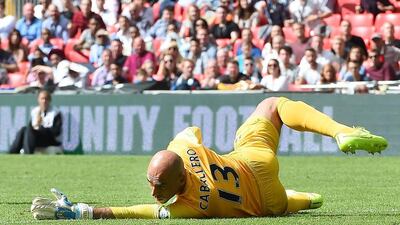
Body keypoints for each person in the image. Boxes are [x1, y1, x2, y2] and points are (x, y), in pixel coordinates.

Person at [31, 96, 388, 220]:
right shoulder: (182, 147)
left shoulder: (193, 207)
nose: (154, 193)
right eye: (151, 184)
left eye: (158, 186)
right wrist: (191, 148)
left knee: (290, 203)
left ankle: (307, 200)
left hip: (267, 201)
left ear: (178, 181)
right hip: (253, 158)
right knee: (273, 106)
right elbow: (193, 130)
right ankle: (340, 130)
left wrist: (83, 211)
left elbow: (133, 212)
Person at [9, 89, 62, 154]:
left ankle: (28, 153)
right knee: (24, 129)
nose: (44, 101)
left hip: (49, 139)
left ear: (50, 100)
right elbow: (32, 127)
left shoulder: (56, 113)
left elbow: (56, 132)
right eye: (42, 99)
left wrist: (42, 127)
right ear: (38, 100)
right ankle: (12, 153)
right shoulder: (35, 111)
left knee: (29, 131)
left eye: (46, 99)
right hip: (36, 137)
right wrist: (37, 124)